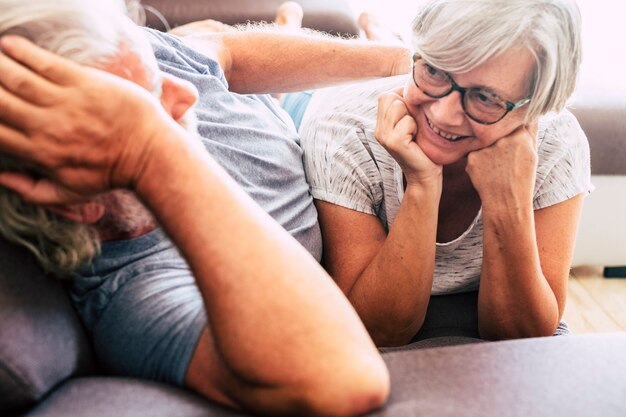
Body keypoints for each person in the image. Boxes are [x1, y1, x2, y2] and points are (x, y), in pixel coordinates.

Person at [0, 0, 412, 415]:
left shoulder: (110, 68)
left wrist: (402, 60)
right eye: (149, 101)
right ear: (79, 205)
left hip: (278, 109)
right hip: (307, 130)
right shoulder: (139, 292)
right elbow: (347, 378)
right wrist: (151, 151)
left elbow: (222, 55)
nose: (188, 92)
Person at [295, 0, 593, 346]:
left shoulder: (558, 142)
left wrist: (507, 201)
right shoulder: (340, 127)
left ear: (533, 110)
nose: (444, 115)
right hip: (303, 101)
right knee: (282, 96)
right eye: (435, 69)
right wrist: (422, 184)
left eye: (485, 97)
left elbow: (523, 338)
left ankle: (381, 33)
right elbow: (378, 332)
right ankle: (318, 26)